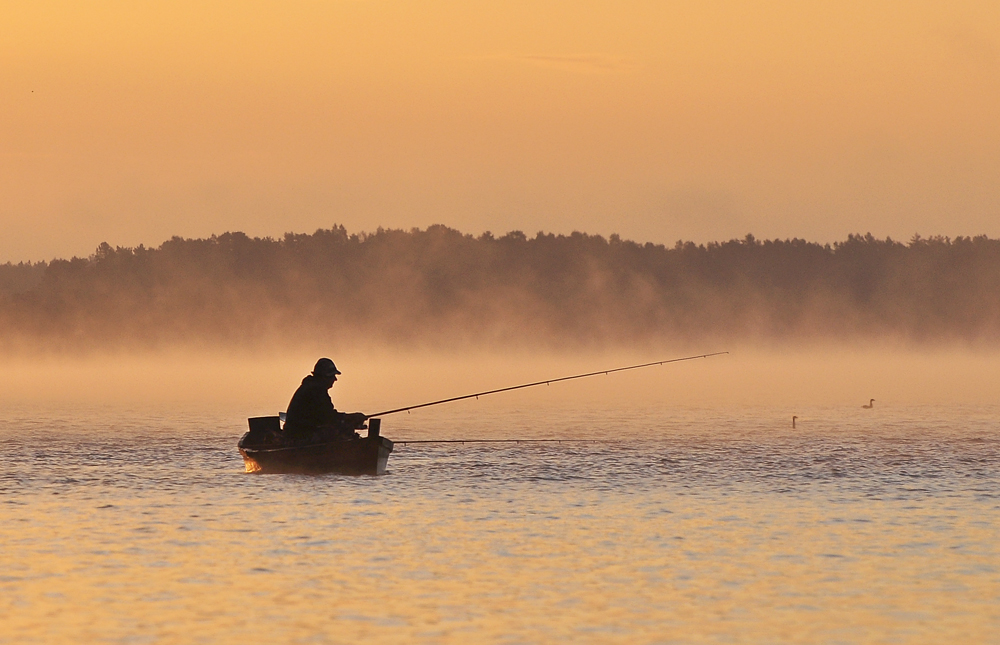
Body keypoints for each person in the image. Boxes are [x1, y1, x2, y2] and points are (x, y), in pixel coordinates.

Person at [283, 358, 366, 443]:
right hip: (299, 437)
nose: (335, 379)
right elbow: (328, 417)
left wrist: (347, 419)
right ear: (325, 377)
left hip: (295, 433)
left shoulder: (311, 387)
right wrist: (351, 418)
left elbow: (325, 416)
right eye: (333, 376)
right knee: (339, 431)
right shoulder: (316, 391)